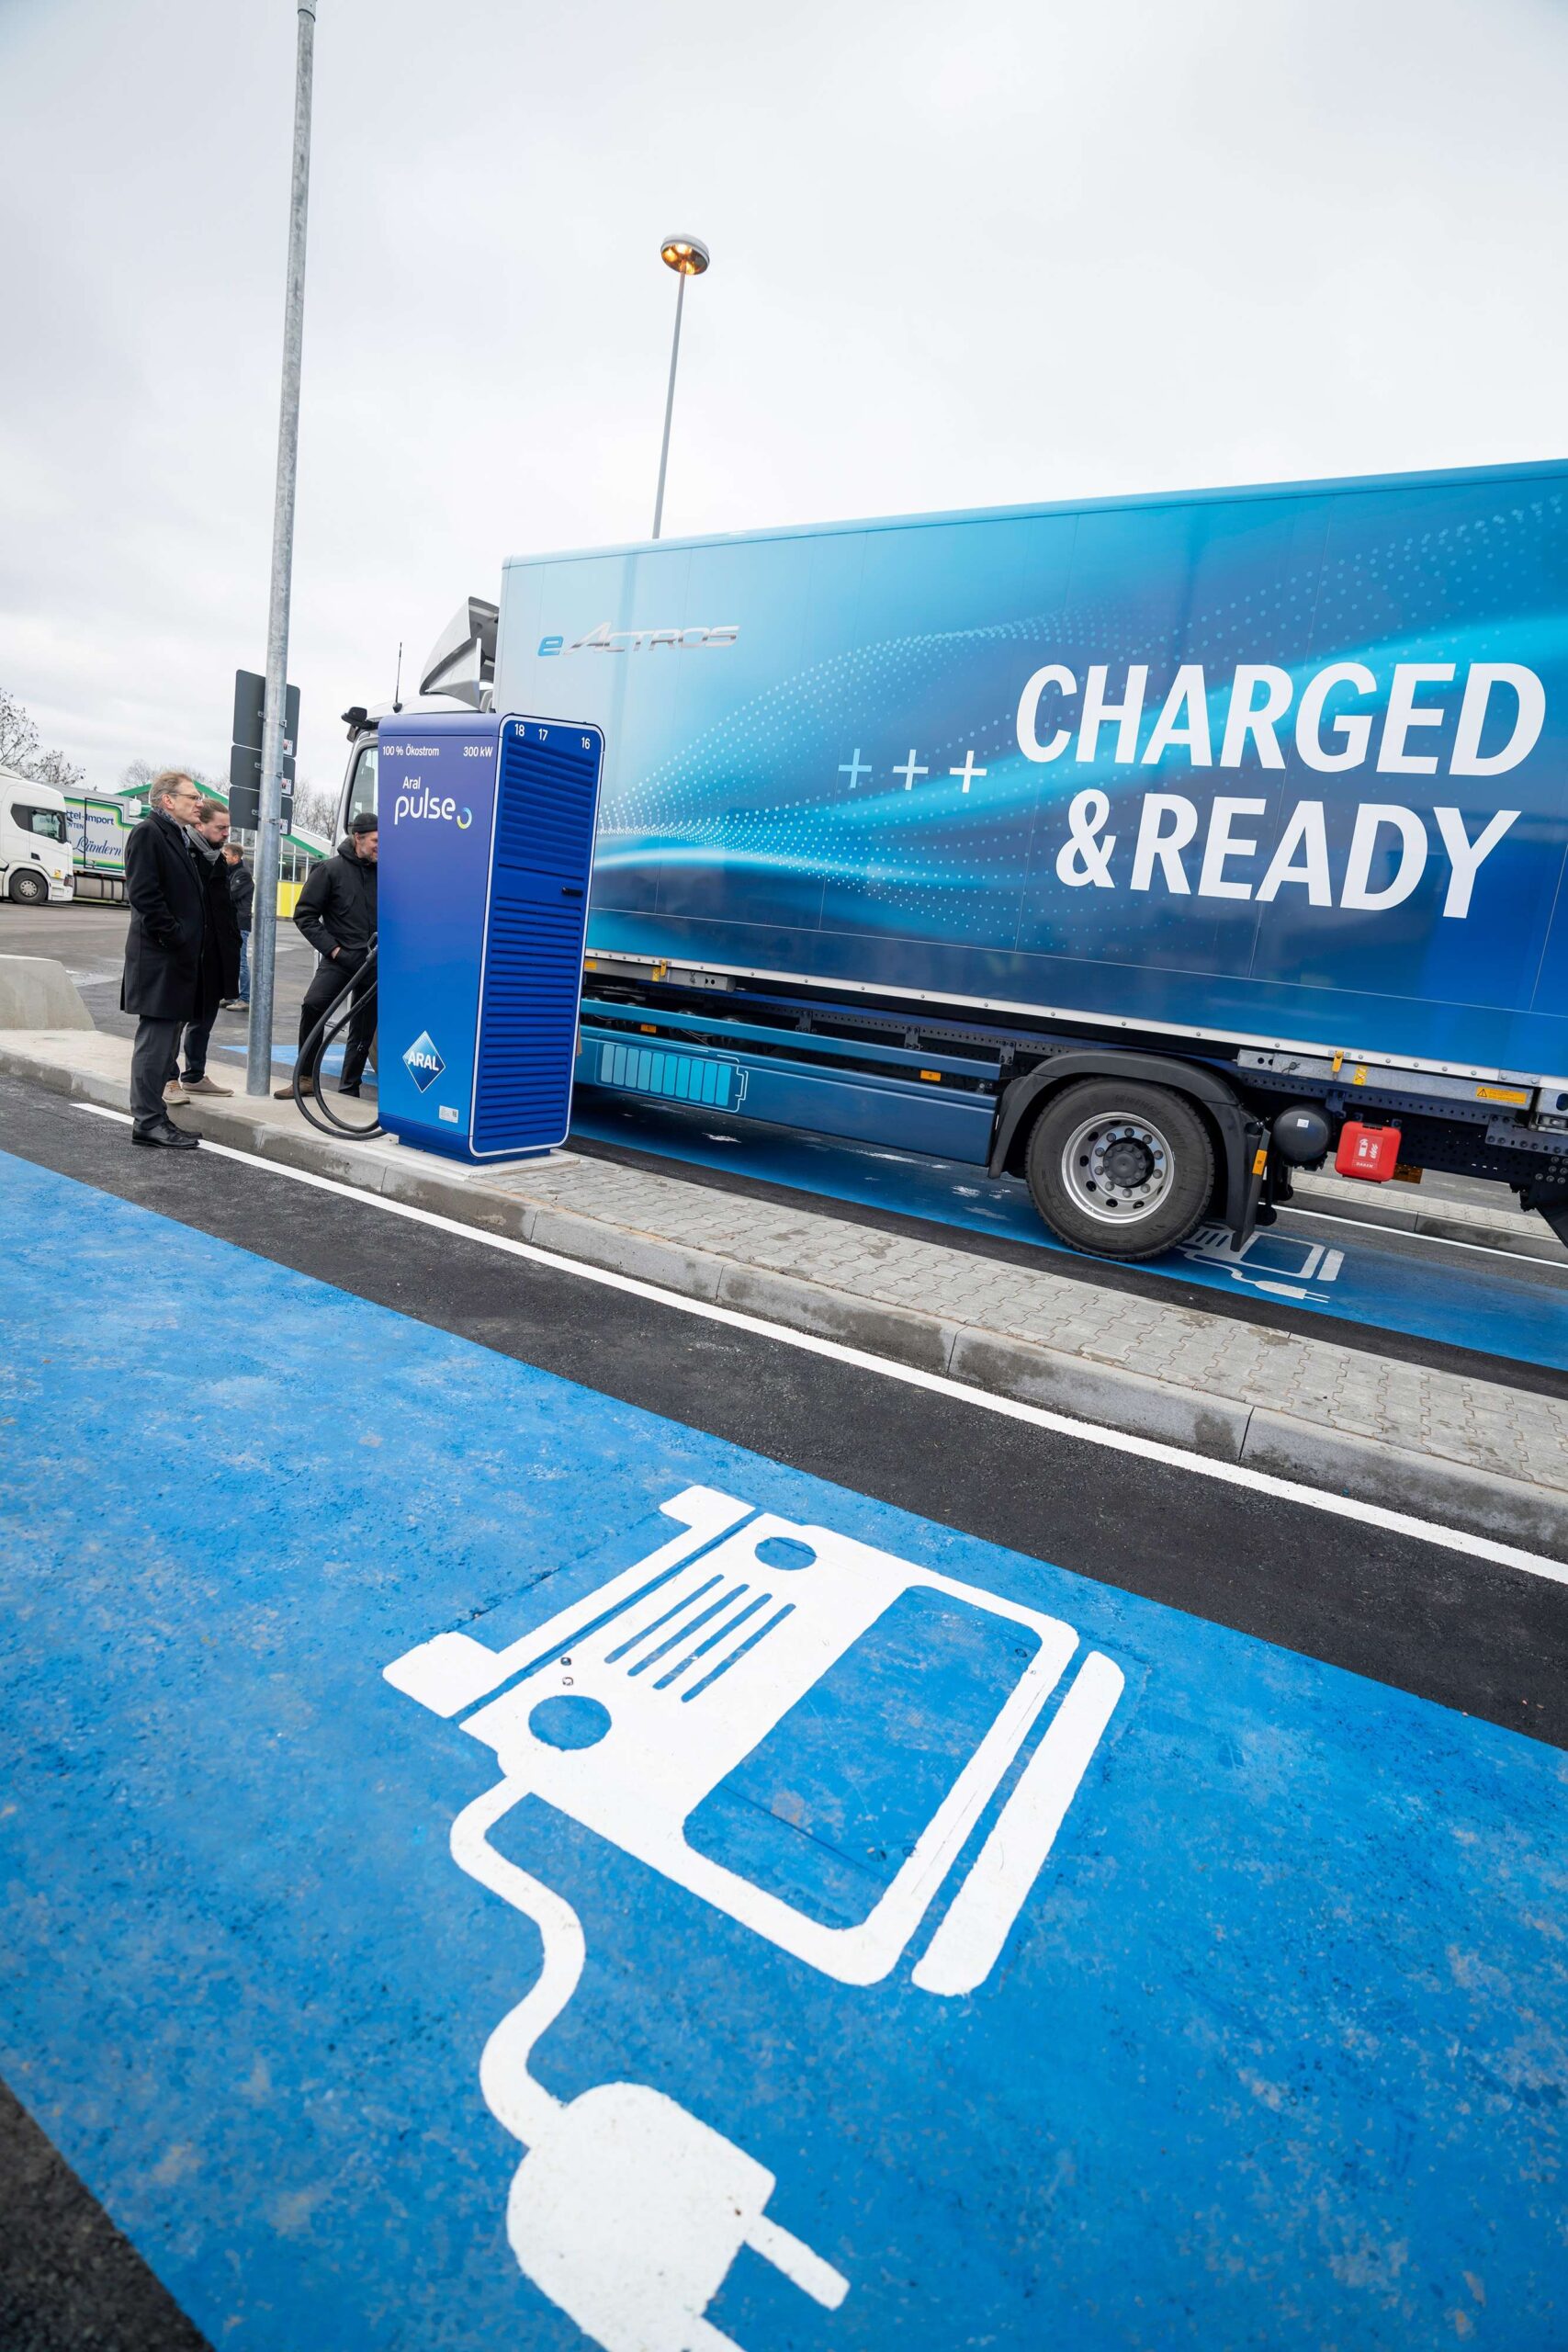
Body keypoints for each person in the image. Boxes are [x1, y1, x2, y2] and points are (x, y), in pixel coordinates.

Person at [119, 770, 206, 1150]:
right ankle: (147, 1122)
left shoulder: (177, 835)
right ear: (168, 800)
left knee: (167, 1046)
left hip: (175, 960)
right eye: (192, 797)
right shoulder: (148, 833)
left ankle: (156, 1117)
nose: (199, 803)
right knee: (155, 1045)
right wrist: (175, 936)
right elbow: (144, 895)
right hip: (160, 959)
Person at [278, 810, 378, 1100]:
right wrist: (334, 950)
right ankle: (305, 1078)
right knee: (314, 1005)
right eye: (376, 841)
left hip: (375, 962)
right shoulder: (330, 870)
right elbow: (305, 915)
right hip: (341, 959)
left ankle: (349, 1088)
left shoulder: (387, 873)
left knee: (363, 1025)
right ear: (358, 837)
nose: (381, 848)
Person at [169, 798, 243, 1099]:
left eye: (228, 828)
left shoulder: (218, 859)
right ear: (200, 825)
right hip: (188, 954)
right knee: (175, 1020)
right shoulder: (184, 855)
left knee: (204, 1021)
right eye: (220, 827)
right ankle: (168, 1079)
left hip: (215, 955)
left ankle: (194, 1076)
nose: (226, 834)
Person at [222, 842, 254, 1008]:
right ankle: (231, 996)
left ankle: (245, 999)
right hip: (231, 923)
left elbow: (230, 895)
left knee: (241, 962)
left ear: (235, 857)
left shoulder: (243, 875)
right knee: (230, 961)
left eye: (225, 855)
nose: (223, 857)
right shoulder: (230, 873)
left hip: (240, 924)